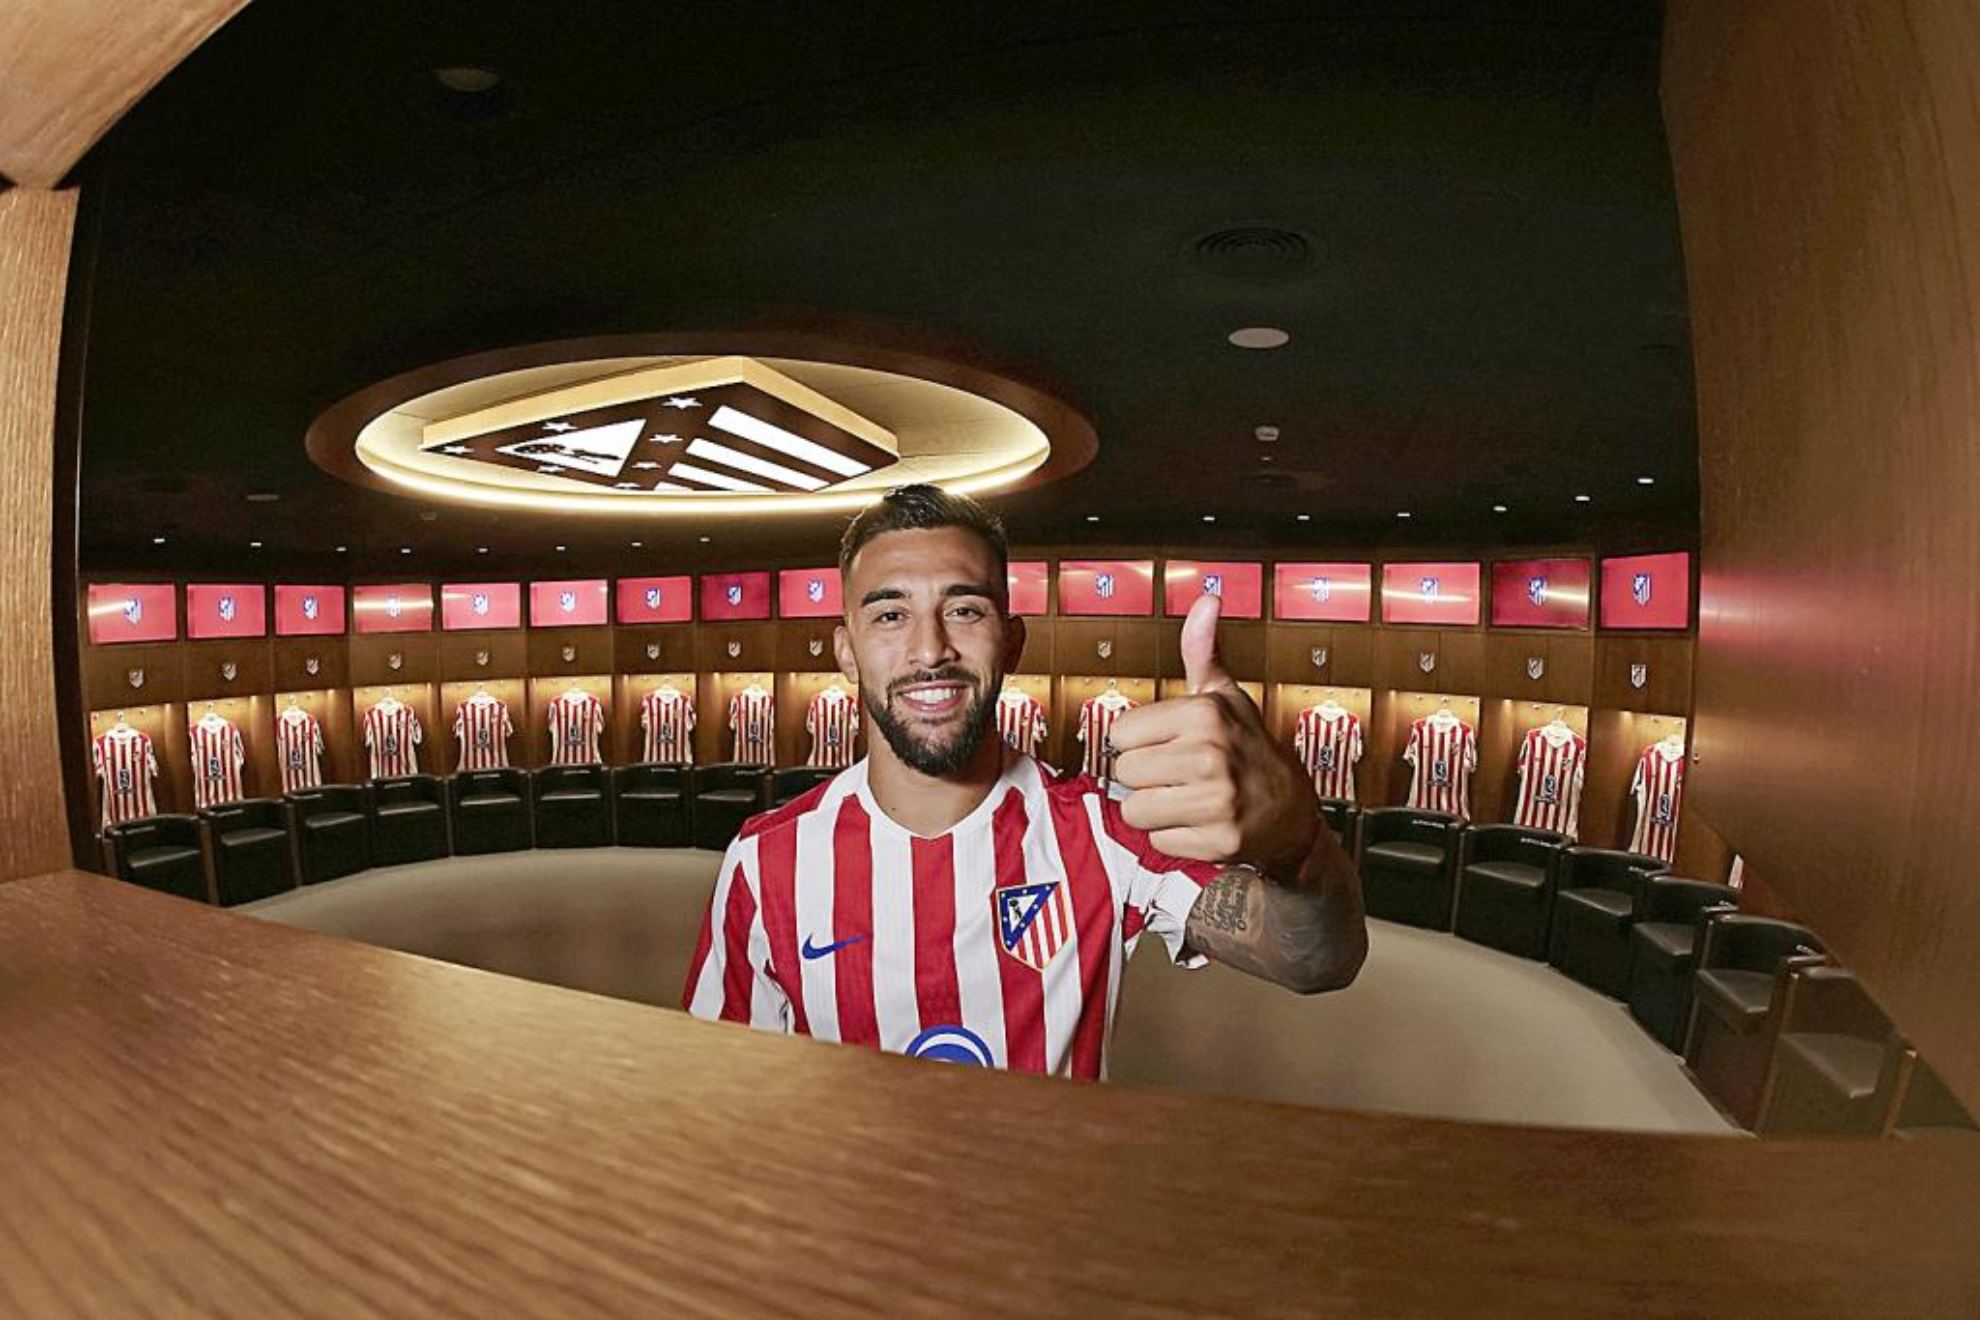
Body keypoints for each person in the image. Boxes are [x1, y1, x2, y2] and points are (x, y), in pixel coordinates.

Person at [683, 484, 1366, 1077]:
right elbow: (719, 1083)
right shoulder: (766, 861)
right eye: (890, 615)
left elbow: (1318, 961)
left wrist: (1296, 845)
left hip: (1051, 1222)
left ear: (1012, 641)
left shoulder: (1105, 831)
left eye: (965, 609)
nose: (930, 650)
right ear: (846, 652)